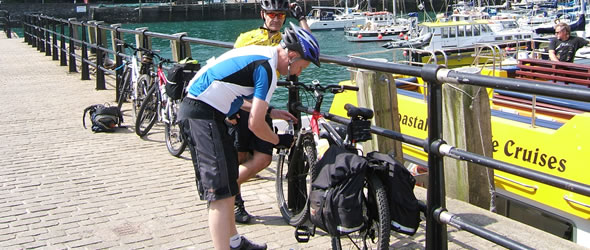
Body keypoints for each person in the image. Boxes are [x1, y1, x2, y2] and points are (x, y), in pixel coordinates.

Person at [178, 23, 321, 250]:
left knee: (228, 183)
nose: (299, 73)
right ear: (292, 55)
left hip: (207, 111)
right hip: (201, 116)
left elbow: (232, 90)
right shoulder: (266, 67)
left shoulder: (263, 56)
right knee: (219, 194)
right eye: (302, 67)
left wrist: (271, 111)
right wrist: (278, 141)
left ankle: (234, 242)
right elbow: (255, 124)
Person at [231, 0, 309, 224]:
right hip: (242, 102)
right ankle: (235, 202)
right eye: (272, 14)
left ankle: (227, 188)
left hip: (262, 102)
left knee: (264, 158)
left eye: (281, 15)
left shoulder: (285, 40)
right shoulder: (246, 38)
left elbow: (310, 48)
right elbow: (233, 68)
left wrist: (301, 17)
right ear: (262, 14)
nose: (276, 19)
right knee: (240, 156)